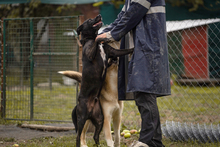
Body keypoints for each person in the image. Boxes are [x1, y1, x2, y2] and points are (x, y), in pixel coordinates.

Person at [96, 0, 171, 146]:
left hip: (149, 48)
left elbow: (133, 14)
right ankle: (154, 142)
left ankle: (147, 141)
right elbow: (123, 16)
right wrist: (103, 32)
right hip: (142, 48)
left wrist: (111, 35)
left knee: (144, 93)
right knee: (142, 94)